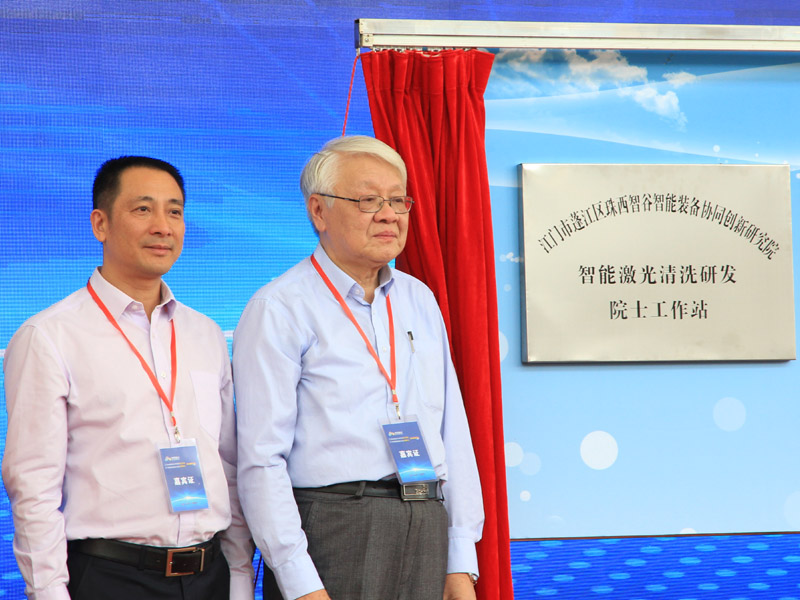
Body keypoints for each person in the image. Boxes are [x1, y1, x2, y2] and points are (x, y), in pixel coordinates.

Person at [234, 135, 484, 600]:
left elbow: (453, 431)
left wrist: (460, 558)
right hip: (337, 526)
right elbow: (261, 458)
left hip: (427, 520)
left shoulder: (419, 298)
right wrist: (298, 580)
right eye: (369, 200)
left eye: (398, 200)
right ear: (319, 211)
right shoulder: (280, 307)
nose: (389, 215)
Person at [2, 156, 255, 600]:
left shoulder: (206, 334)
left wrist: (238, 576)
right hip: (111, 577)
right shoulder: (50, 335)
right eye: (143, 209)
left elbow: (228, 464)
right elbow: (34, 485)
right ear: (100, 224)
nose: (163, 227)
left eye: (174, 211)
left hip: (209, 574)